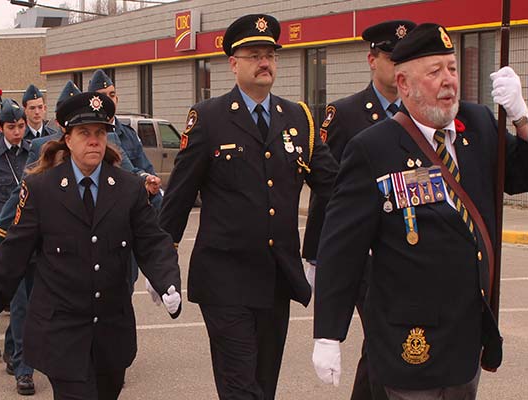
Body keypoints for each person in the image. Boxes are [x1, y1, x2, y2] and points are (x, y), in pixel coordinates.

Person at [312, 23, 528, 399]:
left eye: (453, 68)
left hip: (466, 338)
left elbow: (521, 173)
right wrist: (329, 334)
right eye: (435, 71)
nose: (449, 81)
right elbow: (341, 247)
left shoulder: (477, 125)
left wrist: (521, 118)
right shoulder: (373, 148)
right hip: (410, 341)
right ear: (405, 84)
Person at [158, 14, 338, 399]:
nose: (264, 63)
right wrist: (161, 263)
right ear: (233, 63)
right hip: (225, 280)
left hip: (275, 280)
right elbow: (179, 197)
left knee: (263, 385)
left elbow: (335, 186)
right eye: (254, 55)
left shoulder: (298, 118)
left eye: (270, 55)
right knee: (240, 387)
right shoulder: (207, 118)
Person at [0, 91, 182, 400]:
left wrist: (166, 280)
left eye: (100, 133)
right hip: (61, 331)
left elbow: (152, 241)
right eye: (85, 133)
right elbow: (16, 250)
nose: (94, 140)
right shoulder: (42, 188)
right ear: (68, 139)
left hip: (111, 332)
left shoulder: (127, 188)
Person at [302, 20, 416, 400]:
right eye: (391, 57)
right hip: (365, 254)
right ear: (372, 60)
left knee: (384, 342)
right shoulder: (345, 114)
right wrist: (316, 253)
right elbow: (329, 191)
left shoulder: (420, 111)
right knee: (383, 336)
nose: (399, 65)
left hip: (410, 251)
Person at [0, 81, 136, 256]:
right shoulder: (43, 147)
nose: (93, 140)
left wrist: (146, 179)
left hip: (104, 237)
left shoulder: (109, 140)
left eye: (98, 132)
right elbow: (24, 191)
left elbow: (130, 176)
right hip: (62, 240)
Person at [0, 98, 36, 395]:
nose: (18, 132)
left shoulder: (36, 152)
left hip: (34, 235)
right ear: (0, 127)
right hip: (7, 238)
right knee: (18, 302)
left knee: (28, 303)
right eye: (12, 127)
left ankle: (16, 353)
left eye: (21, 126)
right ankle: (24, 369)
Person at [87, 69, 163, 292]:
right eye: (102, 95)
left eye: (112, 94)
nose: (108, 100)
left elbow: (146, 173)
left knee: (125, 291)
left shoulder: (128, 134)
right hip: (97, 227)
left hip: (126, 227)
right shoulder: (88, 137)